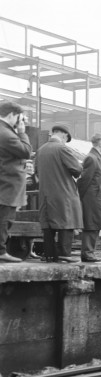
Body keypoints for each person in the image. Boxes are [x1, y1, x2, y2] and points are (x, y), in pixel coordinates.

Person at [35, 125, 83, 263]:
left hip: (45, 194)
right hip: (64, 193)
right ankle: (64, 253)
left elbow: (36, 172)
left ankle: (49, 254)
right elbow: (77, 169)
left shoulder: (40, 150)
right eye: (66, 139)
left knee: (48, 223)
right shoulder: (62, 148)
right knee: (67, 221)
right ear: (64, 135)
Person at [0, 102, 32, 263]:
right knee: (5, 218)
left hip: (5, 182)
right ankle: (1, 251)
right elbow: (26, 151)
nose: (21, 121)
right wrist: (22, 132)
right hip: (8, 184)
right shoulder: (6, 133)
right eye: (20, 117)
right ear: (12, 114)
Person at [78, 132, 101, 262]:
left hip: (96, 198)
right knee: (91, 225)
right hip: (92, 199)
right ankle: (87, 253)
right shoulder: (92, 158)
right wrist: (82, 197)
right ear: (100, 144)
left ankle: (89, 252)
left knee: (95, 225)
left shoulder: (96, 157)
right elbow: (84, 180)